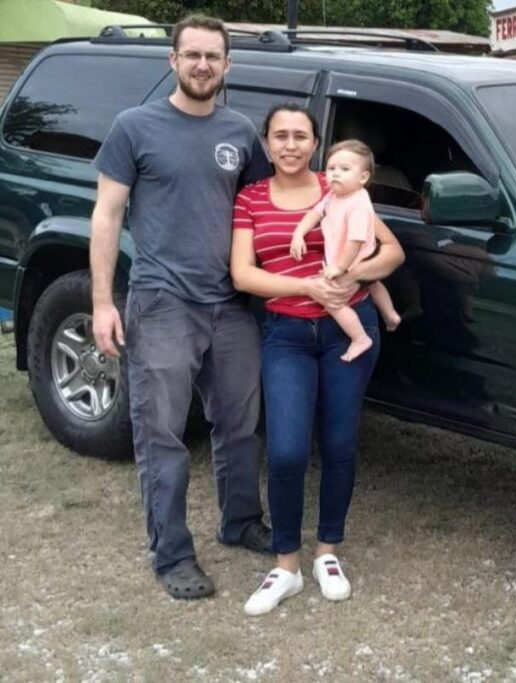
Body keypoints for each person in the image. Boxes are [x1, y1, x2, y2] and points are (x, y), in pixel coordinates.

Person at [90, 15, 274, 600]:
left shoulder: (242, 133)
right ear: (172, 60)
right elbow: (107, 216)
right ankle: (171, 553)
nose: (202, 65)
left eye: (212, 57)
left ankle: (240, 520)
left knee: (241, 425)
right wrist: (101, 302)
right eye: (191, 55)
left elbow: (263, 213)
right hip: (162, 304)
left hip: (232, 306)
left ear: (227, 66)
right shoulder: (134, 127)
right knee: (162, 434)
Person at [230, 104, 405, 615]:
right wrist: (305, 284)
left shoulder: (342, 188)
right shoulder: (250, 198)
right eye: (280, 136)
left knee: (339, 442)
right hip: (285, 333)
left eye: (300, 136)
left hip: (346, 329)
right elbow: (242, 274)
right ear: (266, 143)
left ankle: (328, 552)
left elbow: (392, 253)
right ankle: (286, 564)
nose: (290, 144)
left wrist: (353, 276)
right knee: (285, 449)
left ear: (315, 142)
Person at [289, 139, 401, 362]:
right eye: (331, 168)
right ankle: (390, 315)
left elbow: (355, 240)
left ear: (363, 178)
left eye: (344, 169)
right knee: (374, 284)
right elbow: (315, 213)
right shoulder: (333, 196)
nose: (335, 174)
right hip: (360, 256)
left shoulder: (358, 203)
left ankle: (359, 337)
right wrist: (298, 233)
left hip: (355, 258)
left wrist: (339, 267)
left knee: (332, 299)